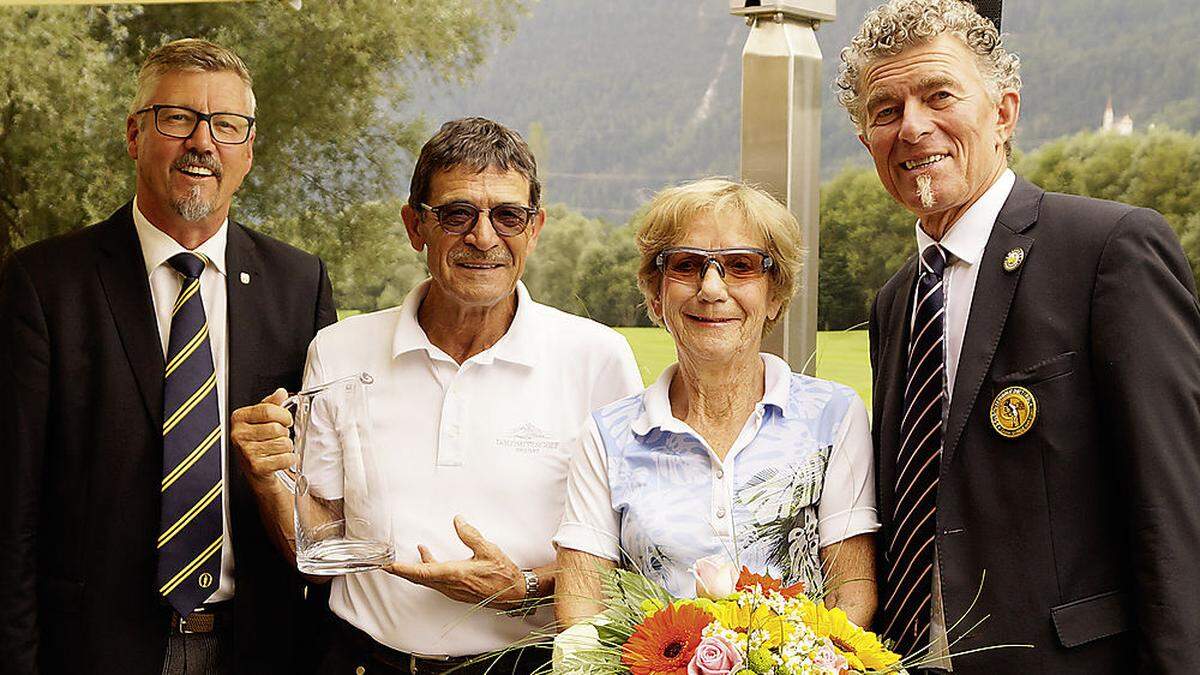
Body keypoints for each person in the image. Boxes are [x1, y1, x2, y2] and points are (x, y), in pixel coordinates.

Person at [835, 0, 1200, 671]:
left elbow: (1175, 512)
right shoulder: (893, 303)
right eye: (885, 110)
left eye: (939, 94)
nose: (913, 126)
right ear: (867, 141)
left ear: (1004, 112)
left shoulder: (1107, 250)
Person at [230, 117, 643, 674]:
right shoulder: (339, 349)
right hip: (359, 661)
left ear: (535, 228)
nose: (483, 236)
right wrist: (265, 476)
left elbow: (635, 555)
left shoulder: (597, 358)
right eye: (457, 213)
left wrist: (522, 587)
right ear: (414, 226)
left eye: (507, 216)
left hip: (528, 665)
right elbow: (320, 556)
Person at [0, 39, 336, 674]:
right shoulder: (46, 286)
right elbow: (12, 513)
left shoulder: (300, 286)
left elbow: (323, 490)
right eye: (178, 118)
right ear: (134, 134)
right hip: (93, 651)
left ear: (248, 149)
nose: (203, 142)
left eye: (226, 124)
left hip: (258, 647)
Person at [553, 178, 879, 629]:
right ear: (655, 295)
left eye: (741, 266)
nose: (711, 288)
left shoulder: (834, 416)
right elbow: (580, 605)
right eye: (686, 265)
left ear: (776, 294)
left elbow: (853, 592)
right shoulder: (608, 437)